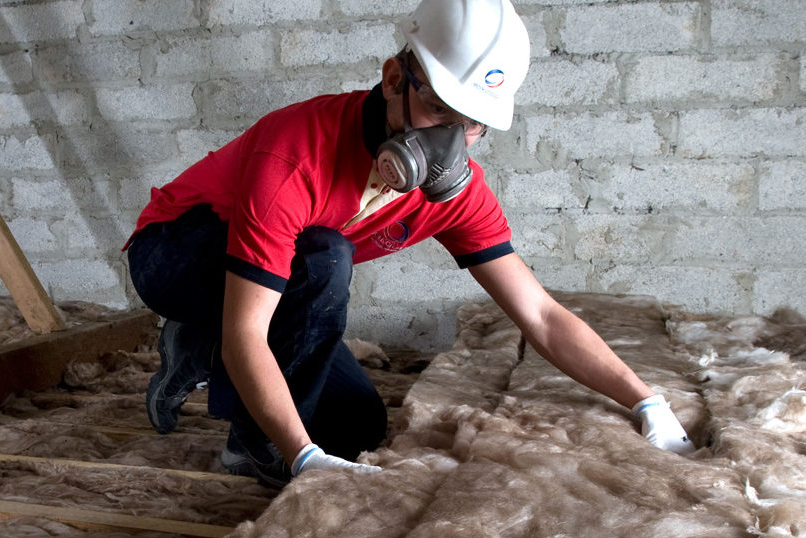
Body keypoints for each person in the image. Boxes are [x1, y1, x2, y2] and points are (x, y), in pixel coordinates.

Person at [126, 0, 692, 489]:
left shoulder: (451, 196)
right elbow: (249, 331)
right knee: (323, 255)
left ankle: (197, 349)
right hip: (175, 253)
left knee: (356, 427)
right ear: (395, 78)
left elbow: (539, 315)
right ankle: (247, 444)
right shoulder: (296, 153)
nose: (448, 140)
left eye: (471, 124)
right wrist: (300, 456)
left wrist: (646, 401)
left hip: (272, 277)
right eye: (440, 109)